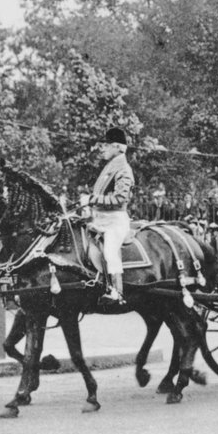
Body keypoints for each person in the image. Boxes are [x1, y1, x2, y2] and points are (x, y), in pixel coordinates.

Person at [89, 127, 134, 304]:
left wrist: (92, 198)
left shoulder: (123, 169)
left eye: (106, 145)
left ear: (116, 147)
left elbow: (121, 198)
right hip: (101, 219)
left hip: (115, 221)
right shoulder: (111, 166)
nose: (103, 149)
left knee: (110, 251)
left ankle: (117, 292)